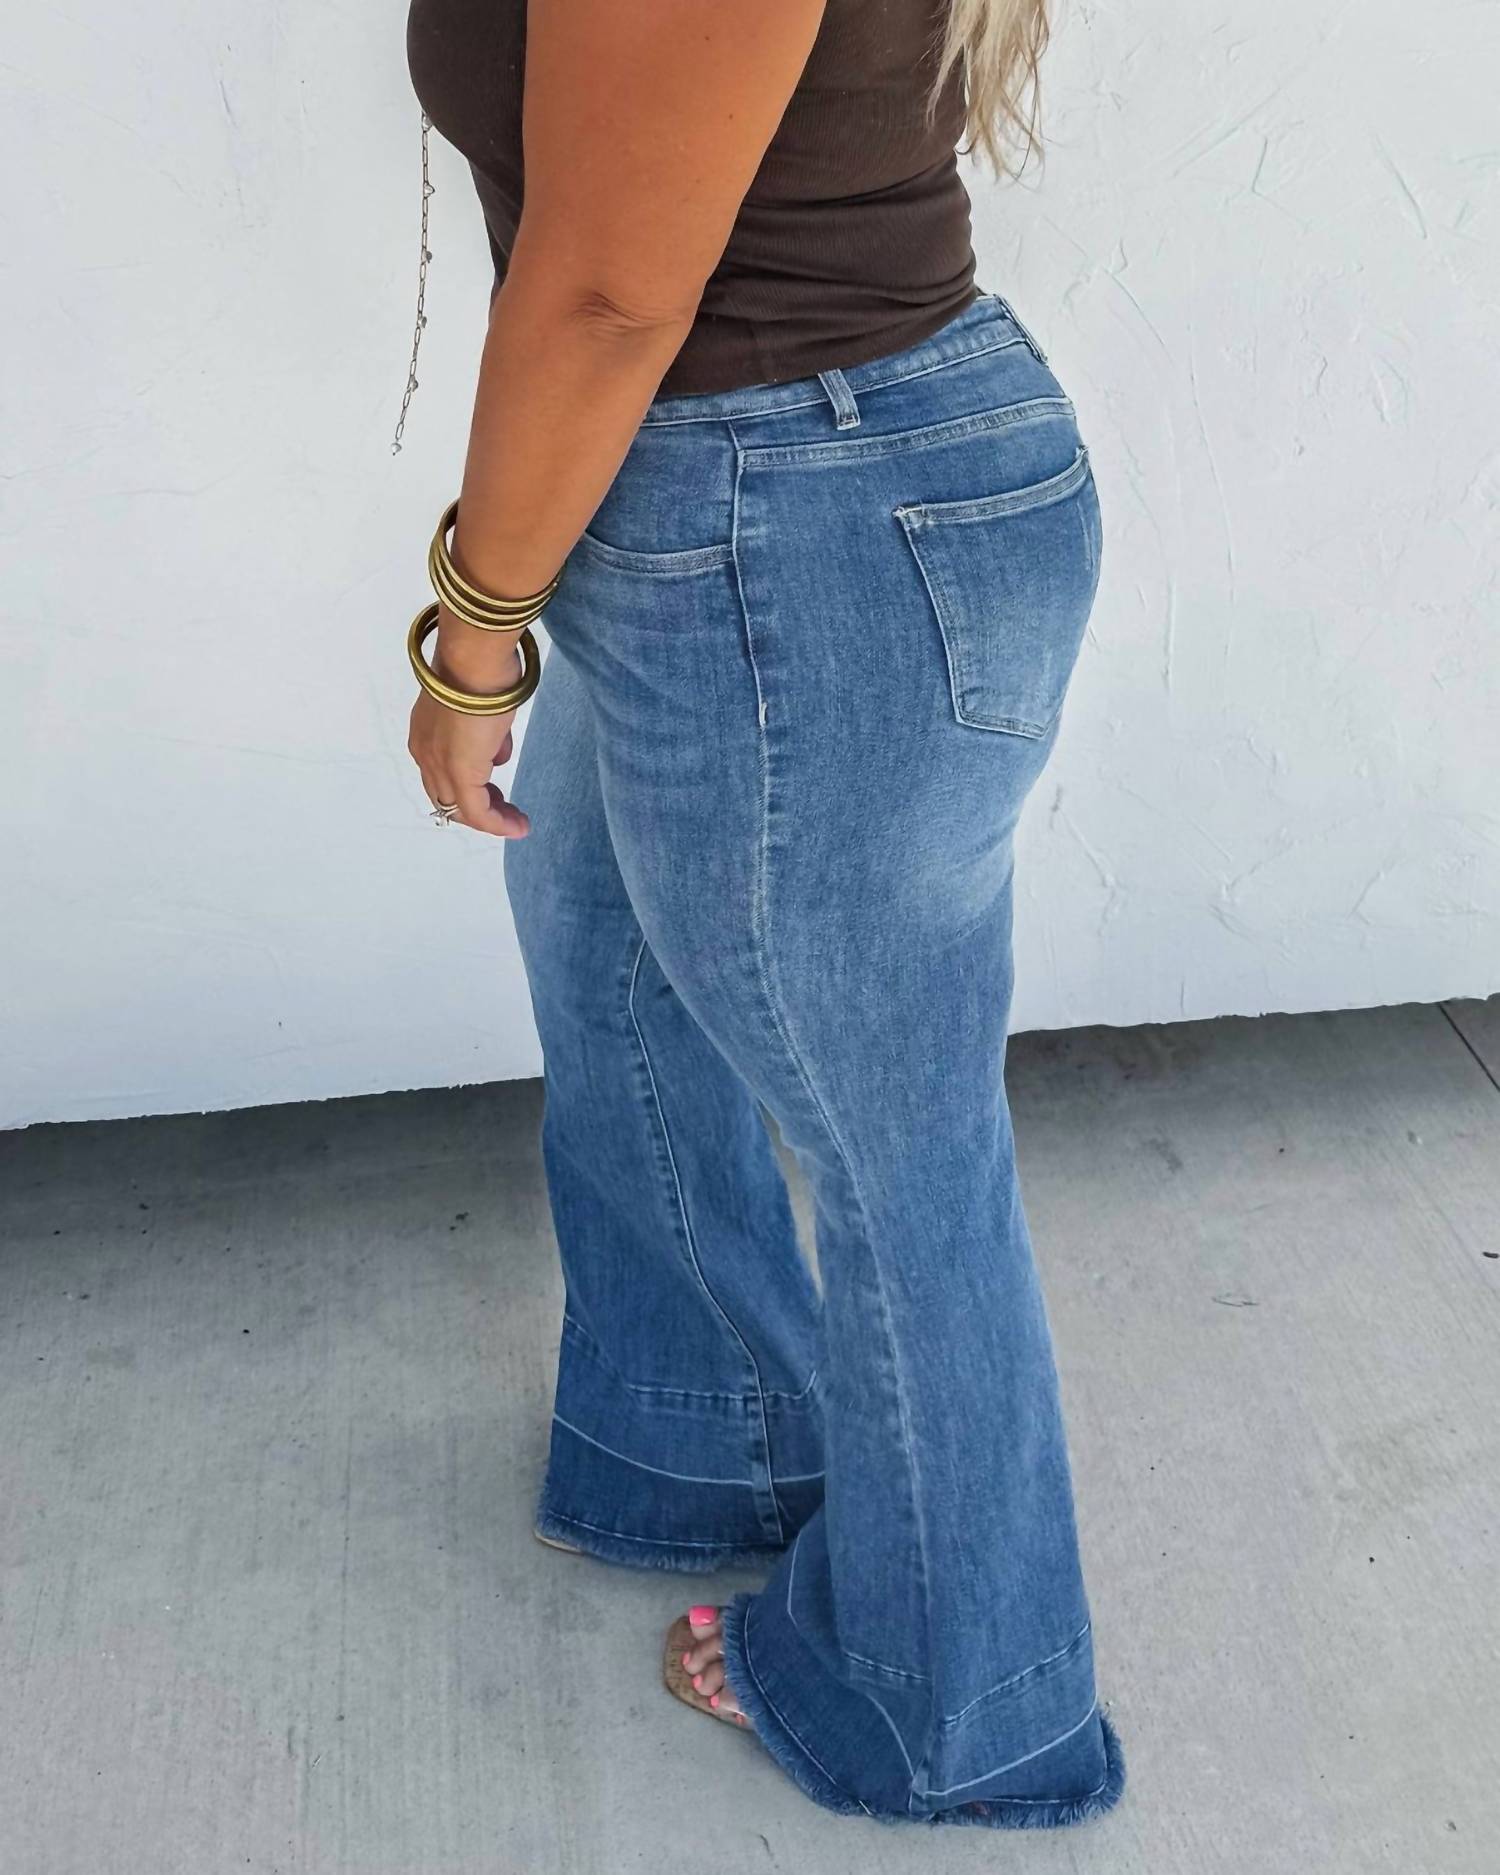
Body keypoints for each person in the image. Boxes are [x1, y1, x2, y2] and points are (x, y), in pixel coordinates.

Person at [402, 0, 1124, 1830]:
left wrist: (471, 631)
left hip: (797, 515)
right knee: (602, 947)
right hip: (715, 490)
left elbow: (608, 292)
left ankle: (964, 1702)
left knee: (892, 1147)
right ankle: (705, 1429)